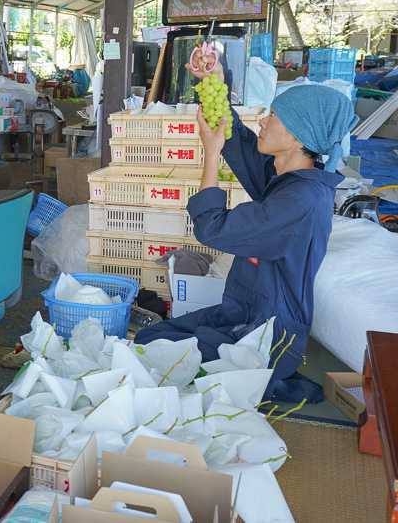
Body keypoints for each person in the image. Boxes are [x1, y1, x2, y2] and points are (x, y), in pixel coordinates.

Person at [135, 59, 359, 401]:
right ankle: (263, 380)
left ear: (299, 135)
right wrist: (216, 82)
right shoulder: (288, 177)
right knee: (150, 339)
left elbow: (212, 228)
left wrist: (210, 155)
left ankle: (270, 381)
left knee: (154, 351)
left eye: (273, 116)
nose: (263, 121)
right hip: (240, 313)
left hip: (265, 335)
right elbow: (238, 141)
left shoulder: (300, 200)